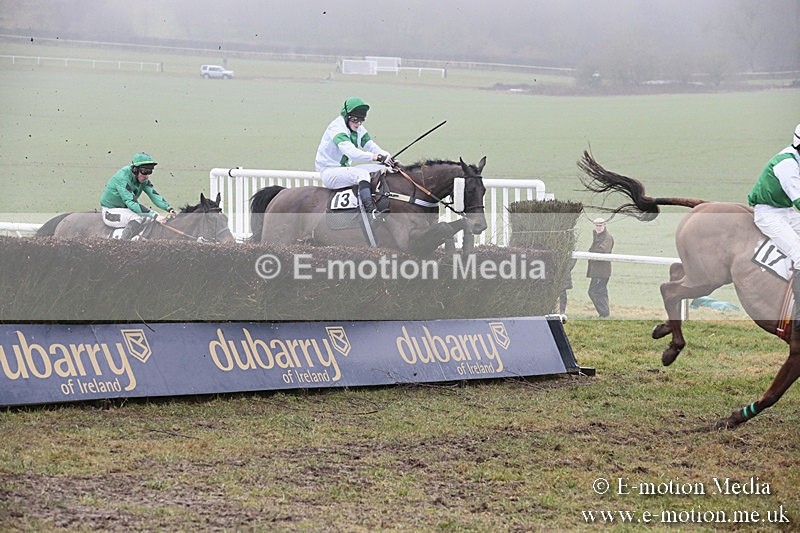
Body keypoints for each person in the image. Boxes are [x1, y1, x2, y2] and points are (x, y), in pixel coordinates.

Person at [747, 124, 800, 325]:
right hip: (768, 214)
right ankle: (798, 315)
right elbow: (799, 201)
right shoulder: (786, 164)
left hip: (786, 212)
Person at [315, 97, 395, 218]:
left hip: (343, 170)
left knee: (381, 168)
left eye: (361, 120)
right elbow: (352, 152)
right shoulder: (337, 128)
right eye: (355, 120)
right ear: (346, 117)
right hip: (329, 172)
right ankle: (371, 212)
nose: (358, 123)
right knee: (362, 174)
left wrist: (388, 158)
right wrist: (377, 157)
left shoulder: (359, 129)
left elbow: (371, 146)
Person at [100, 152, 176, 240]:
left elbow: (154, 195)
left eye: (149, 172)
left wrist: (169, 209)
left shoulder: (142, 179)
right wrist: (154, 215)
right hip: (110, 212)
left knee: (151, 218)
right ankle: (121, 244)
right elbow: (131, 202)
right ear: (135, 169)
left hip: (124, 210)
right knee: (137, 217)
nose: (147, 176)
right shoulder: (122, 178)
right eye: (144, 172)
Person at [587, 217, 614, 318]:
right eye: (597, 226)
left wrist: (590, 254)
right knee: (600, 291)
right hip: (598, 271)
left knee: (594, 291)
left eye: (600, 226)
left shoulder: (607, 237)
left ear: (604, 226)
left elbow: (602, 251)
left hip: (601, 271)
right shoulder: (598, 236)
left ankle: (604, 313)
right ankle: (604, 313)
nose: (598, 227)